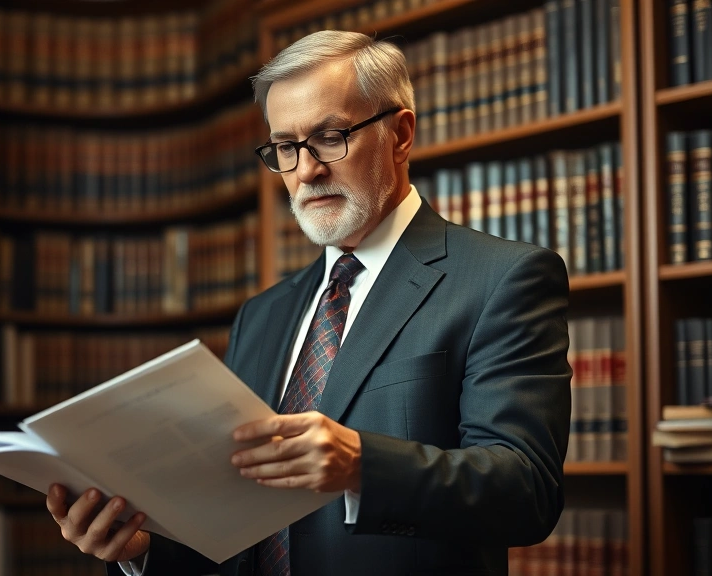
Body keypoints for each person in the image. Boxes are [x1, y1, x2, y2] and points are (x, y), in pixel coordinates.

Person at [45, 30, 571, 576]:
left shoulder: (501, 278)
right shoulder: (263, 314)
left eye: (330, 136)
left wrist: (362, 467)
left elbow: (526, 490)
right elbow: (238, 519)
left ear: (401, 134)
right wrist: (145, 550)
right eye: (286, 147)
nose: (306, 170)